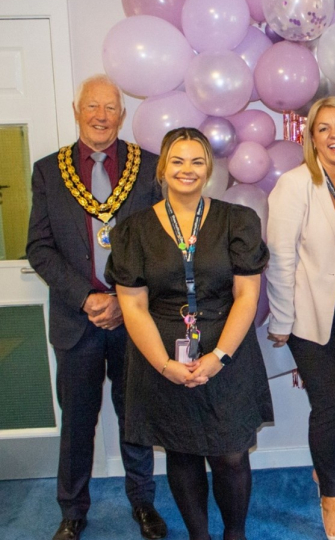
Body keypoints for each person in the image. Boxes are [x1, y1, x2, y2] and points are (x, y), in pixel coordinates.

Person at [106, 127, 274, 540]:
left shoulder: (238, 220)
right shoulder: (133, 230)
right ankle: (198, 536)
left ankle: (235, 534)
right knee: (181, 452)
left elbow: (247, 296)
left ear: (209, 169)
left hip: (227, 350)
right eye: (177, 161)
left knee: (232, 454)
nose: (187, 170)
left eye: (197, 161)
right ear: (162, 168)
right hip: (160, 353)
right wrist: (164, 365)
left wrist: (218, 358)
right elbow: (132, 305)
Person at [26, 74, 167, 540]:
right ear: (76, 110)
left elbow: (162, 244)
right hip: (76, 319)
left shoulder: (148, 169)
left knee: (136, 416)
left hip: (134, 319)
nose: (101, 116)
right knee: (77, 422)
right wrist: (87, 297)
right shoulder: (50, 170)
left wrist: (123, 300)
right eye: (92, 107)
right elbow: (39, 247)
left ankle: (143, 502)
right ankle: (72, 509)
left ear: (121, 116)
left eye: (110, 108)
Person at [265, 96, 335, 540]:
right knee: (328, 405)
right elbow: (280, 256)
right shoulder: (295, 184)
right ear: (311, 137)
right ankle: (331, 502)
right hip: (310, 314)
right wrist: (281, 319)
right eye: (324, 128)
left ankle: (322, 474)